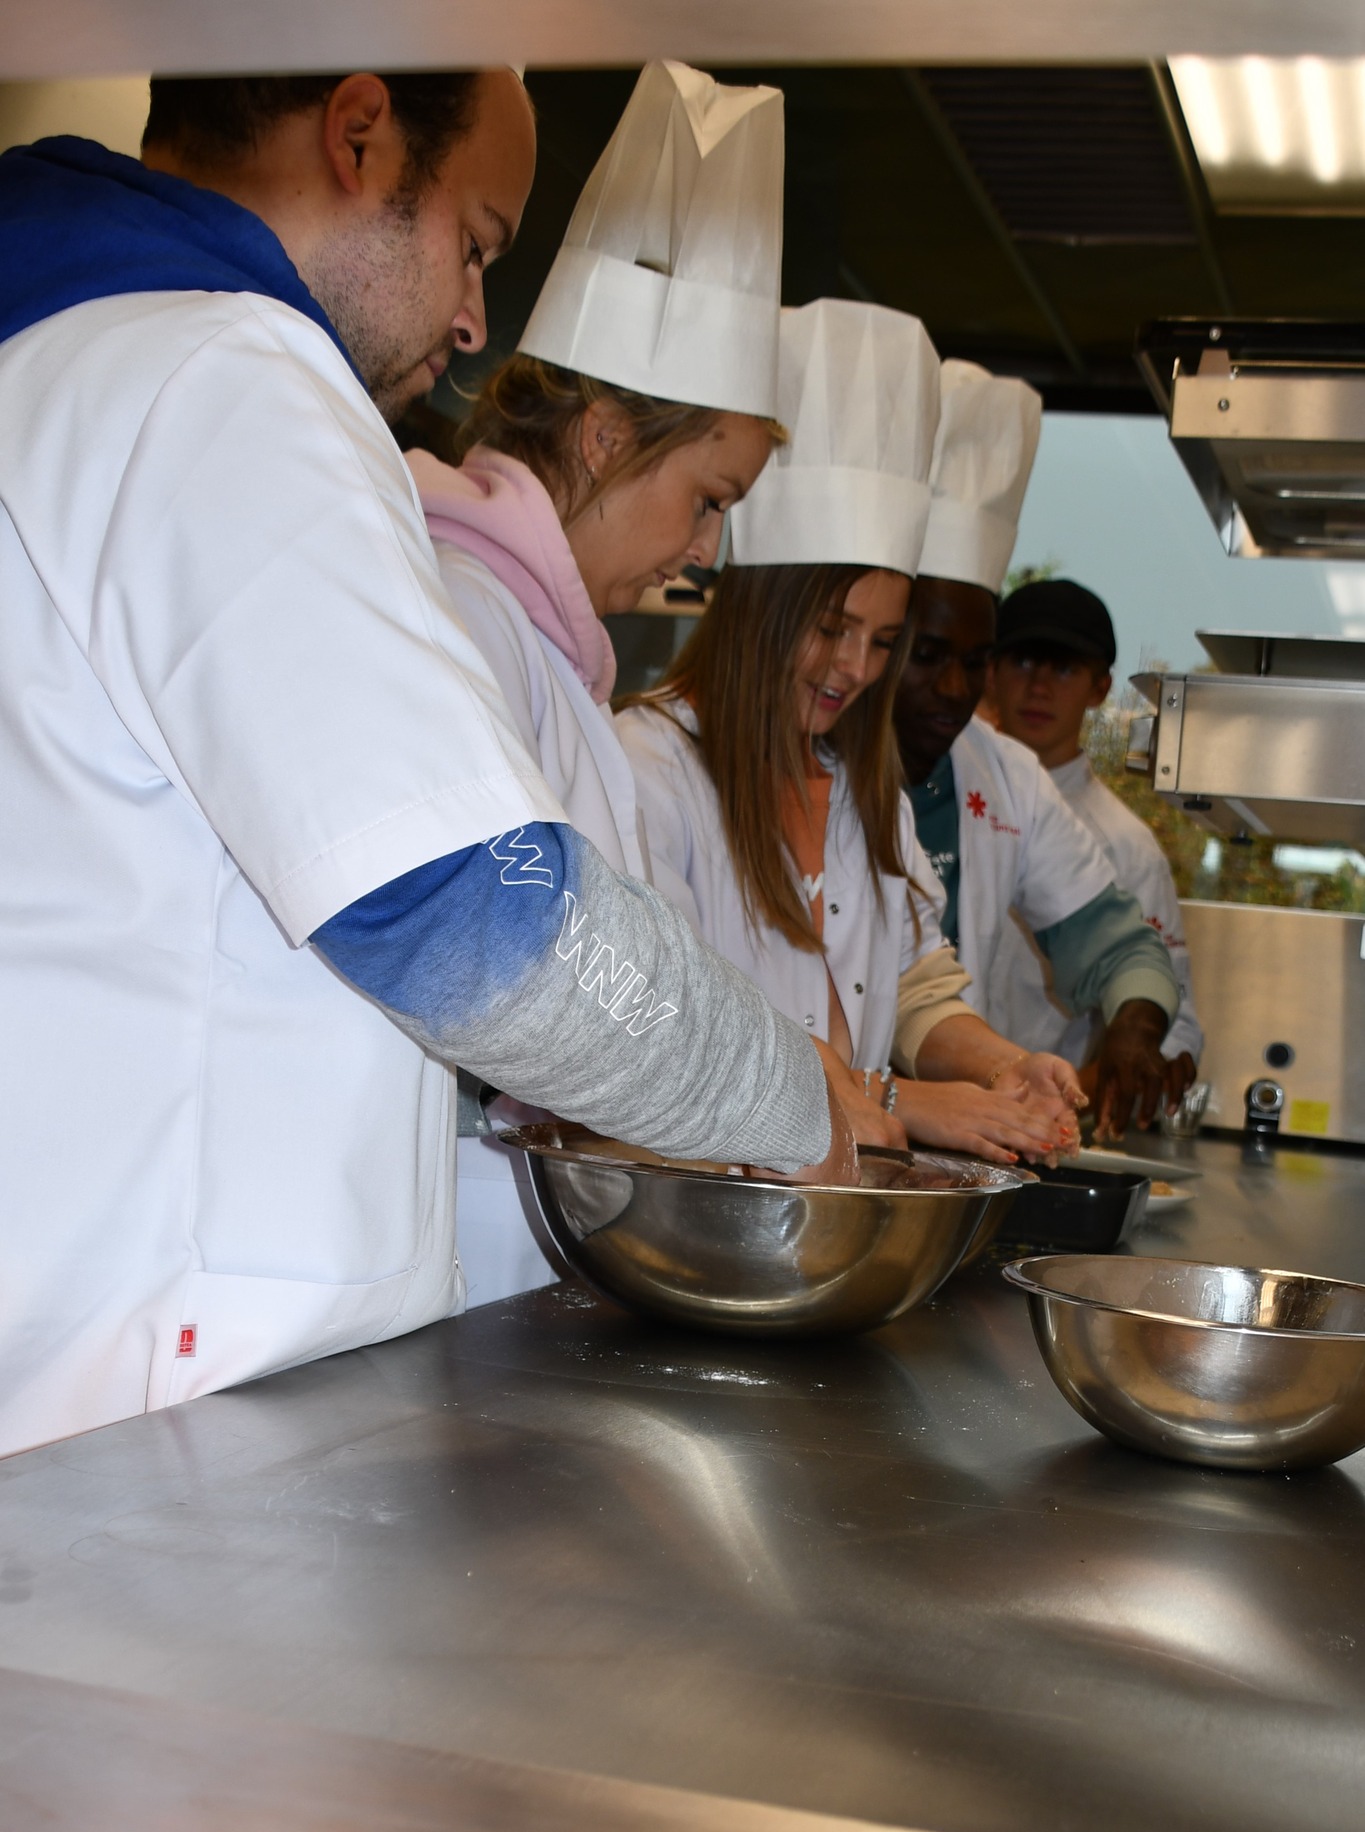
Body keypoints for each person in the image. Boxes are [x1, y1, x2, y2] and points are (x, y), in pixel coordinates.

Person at [0, 69, 845, 1458]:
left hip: (91, 1351)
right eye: (476, 242)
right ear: (358, 134)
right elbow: (466, 908)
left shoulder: (59, 353)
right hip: (164, 1400)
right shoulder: (226, 373)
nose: (470, 321)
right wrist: (789, 1101)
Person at [406, 64, 787, 1302]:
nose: (705, 549)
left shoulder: (552, 653)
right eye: (707, 500)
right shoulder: (466, 615)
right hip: (457, 1249)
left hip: (518, 1257)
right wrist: (771, 1092)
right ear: (607, 437)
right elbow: (518, 947)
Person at [618, 299, 1084, 1166]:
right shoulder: (647, 769)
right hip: (689, 1204)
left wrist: (1003, 1068)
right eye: (831, 628)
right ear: (759, 609)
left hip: (829, 1208)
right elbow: (663, 1020)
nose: (854, 669)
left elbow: (911, 986)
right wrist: (900, 1098)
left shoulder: (861, 794)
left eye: (880, 640)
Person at [894, 361, 1182, 1141]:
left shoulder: (1002, 774)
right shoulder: (807, 770)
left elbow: (1118, 947)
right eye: (924, 655)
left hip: (954, 1138)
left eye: (973, 660)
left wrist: (1131, 1025)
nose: (953, 690)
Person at [986, 576, 1203, 1095]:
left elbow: (1172, 1027)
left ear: (1100, 689)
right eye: (1023, 662)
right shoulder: (941, 801)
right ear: (990, 671)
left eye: (1064, 669)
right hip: (912, 1100)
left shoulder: (1128, 847)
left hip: (1043, 1119)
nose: (1039, 687)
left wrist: (1059, 1099)